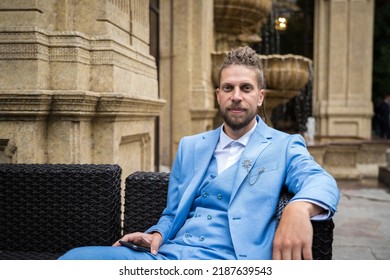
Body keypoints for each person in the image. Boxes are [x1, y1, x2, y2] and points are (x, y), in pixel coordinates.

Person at [59, 46, 339, 260]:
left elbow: (322, 182)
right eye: (228, 88)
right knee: (74, 260)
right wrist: (156, 234)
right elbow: (172, 213)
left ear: (260, 96)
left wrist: (298, 208)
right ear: (218, 95)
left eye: (246, 88)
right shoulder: (191, 146)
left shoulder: (284, 145)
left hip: (232, 262)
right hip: (169, 256)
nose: (237, 96)